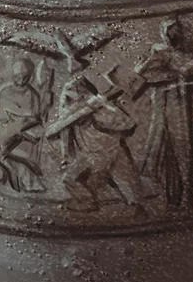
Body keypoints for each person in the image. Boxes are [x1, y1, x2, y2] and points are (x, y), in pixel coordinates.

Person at [50, 76, 146, 216]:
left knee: (122, 179)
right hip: (97, 152)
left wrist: (101, 110)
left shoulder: (100, 111)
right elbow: (59, 131)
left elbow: (128, 124)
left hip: (106, 151)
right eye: (66, 98)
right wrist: (66, 157)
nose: (67, 102)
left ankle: (93, 202)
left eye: (70, 97)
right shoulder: (74, 113)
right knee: (72, 178)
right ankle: (89, 201)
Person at [0, 57, 45, 192]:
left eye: (24, 77)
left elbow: (36, 118)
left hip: (24, 132)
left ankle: (27, 181)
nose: (20, 80)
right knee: (1, 142)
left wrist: (24, 121)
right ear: (12, 74)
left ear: (30, 77)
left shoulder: (33, 95)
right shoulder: (4, 90)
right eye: (17, 76)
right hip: (5, 130)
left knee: (28, 144)